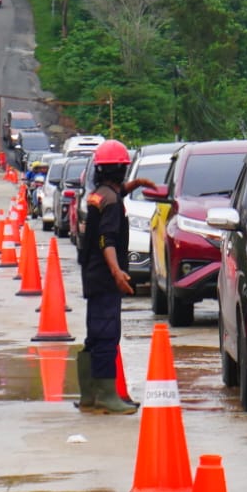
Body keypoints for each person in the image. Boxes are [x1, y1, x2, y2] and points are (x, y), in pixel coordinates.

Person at [75, 140, 153, 414]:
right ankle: (107, 396)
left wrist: (136, 184)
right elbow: (107, 240)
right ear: (121, 170)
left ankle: (89, 395)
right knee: (107, 334)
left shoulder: (99, 194)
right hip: (105, 275)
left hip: (92, 273)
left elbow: (115, 194)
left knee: (95, 334)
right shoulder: (111, 203)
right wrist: (117, 271)